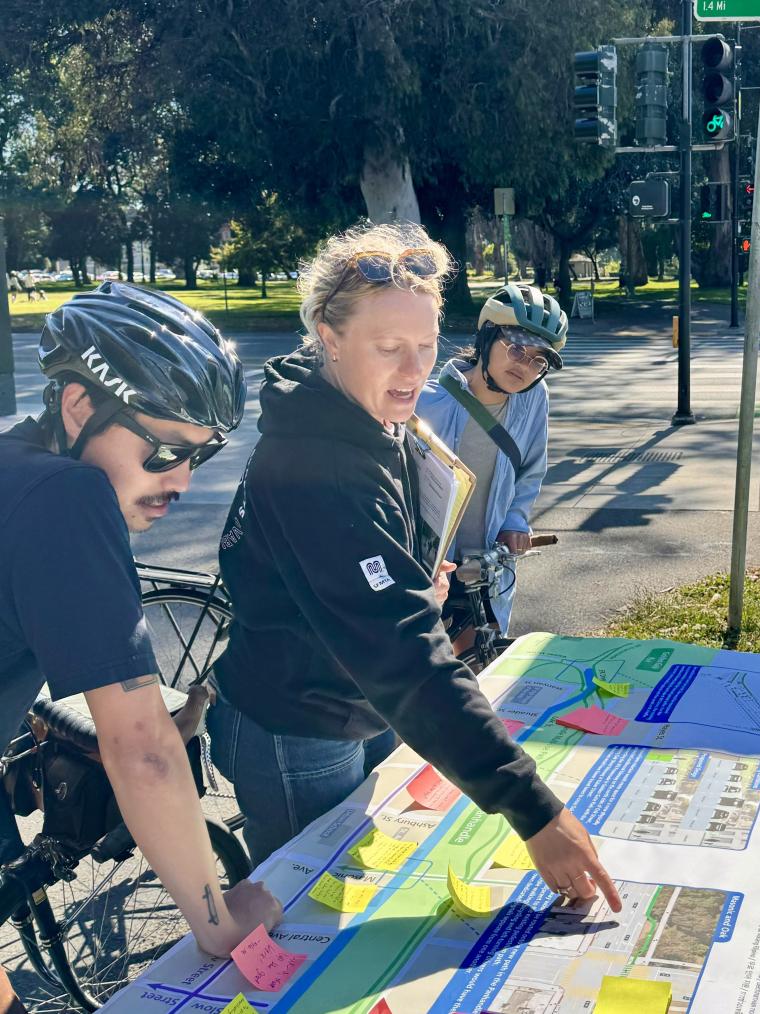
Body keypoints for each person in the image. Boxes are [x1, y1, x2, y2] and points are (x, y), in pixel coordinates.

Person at [207, 223, 621, 914]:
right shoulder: (319, 459)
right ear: (327, 335)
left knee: (355, 888)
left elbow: (370, 574)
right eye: (389, 348)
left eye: (426, 348)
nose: (413, 372)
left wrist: (411, 572)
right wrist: (533, 809)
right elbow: (402, 650)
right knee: (306, 922)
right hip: (298, 722)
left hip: (361, 705)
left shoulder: (371, 414)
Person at [0, 282, 282, 962]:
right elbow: (142, 749)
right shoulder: (70, 497)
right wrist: (218, 921)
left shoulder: (18, 469)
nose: (182, 480)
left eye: (201, 455)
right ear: (79, 406)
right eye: (164, 451)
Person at [416, 282, 564, 639]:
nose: (525, 366)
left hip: (489, 566)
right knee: (429, 674)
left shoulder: (533, 400)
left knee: (482, 666)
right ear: (487, 337)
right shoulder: (426, 400)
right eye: (515, 349)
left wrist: (515, 520)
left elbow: (531, 468)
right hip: (430, 567)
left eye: (538, 360)